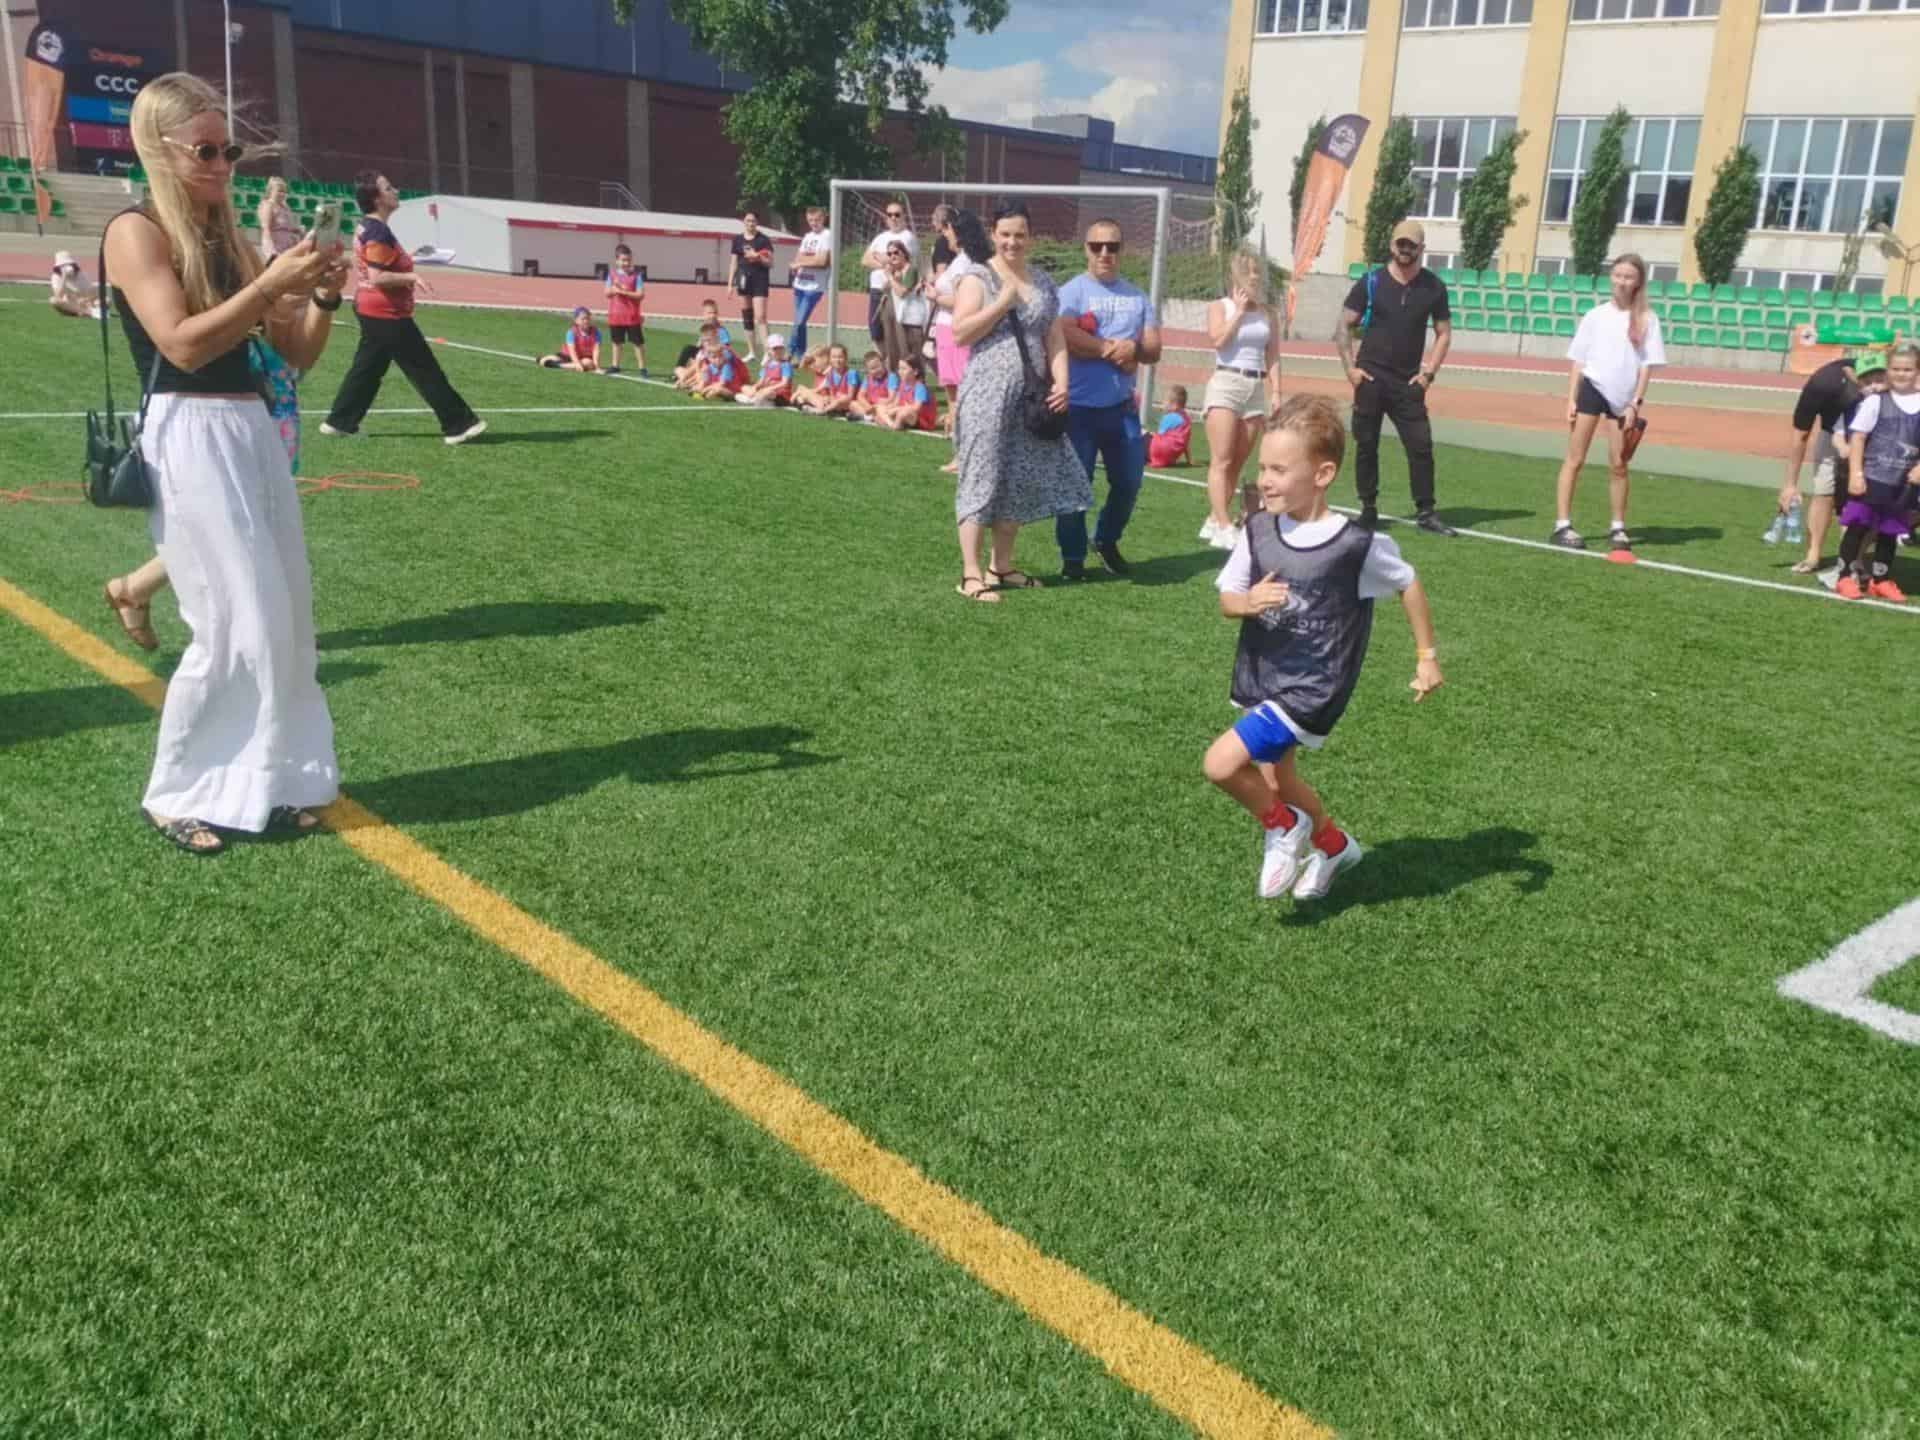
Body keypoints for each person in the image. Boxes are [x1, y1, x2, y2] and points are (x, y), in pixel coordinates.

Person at [103, 72, 348, 855]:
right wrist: (268, 284)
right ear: (160, 148)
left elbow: (294, 355)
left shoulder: (228, 237)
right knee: (229, 621)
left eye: (228, 151)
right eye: (204, 150)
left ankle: (274, 783)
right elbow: (181, 343)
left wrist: (321, 296)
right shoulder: (135, 231)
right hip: (189, 429)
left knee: (285, 620)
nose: (221, 165)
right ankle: (178, 791)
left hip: (249, 427)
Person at [1202, 395, 1443, 902]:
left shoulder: (1353, 545)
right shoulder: (1259, 529)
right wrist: (1247, 602)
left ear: (1322, 474)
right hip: (1263, 674)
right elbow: (1228, 598)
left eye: (1279, 470)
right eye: (1262, 467)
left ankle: (1284, 826)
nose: (1265, 480)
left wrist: (1426, 657)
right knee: (1277, 780)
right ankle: (1334, 847)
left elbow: (1408, 581)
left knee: (1220, 764)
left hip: (1312, 685)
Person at [947, 202, 1091, 603]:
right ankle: (970, 572)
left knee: (1019, 476)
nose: (1012, 242)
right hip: (987, 395)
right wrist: (1001, 303)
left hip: (1031, 396)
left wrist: (1062, 381)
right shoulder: (979, 277)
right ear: (994, 233)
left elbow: (1054, 336)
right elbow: (960, 333)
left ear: (1030, 237)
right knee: (981, 475)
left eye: (1020, 235)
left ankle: (1002, 565)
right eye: (1005, 234)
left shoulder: (1042, 281)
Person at [321, 170, 485, 445]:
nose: (395, 191)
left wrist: (408, 260)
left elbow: (370, 263)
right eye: (388, 188)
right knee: (424, 369)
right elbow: (378, 277)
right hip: (386, 312)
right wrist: (411, 276)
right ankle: (458, 424)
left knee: (367, 369)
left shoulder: (369, 227)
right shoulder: (378, 231)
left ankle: (340, 422)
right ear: (376, 198)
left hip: (372, 309)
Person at [1056, 217, 1163, 580]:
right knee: (1075, 487)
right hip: (1078, 410)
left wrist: (1135, 348)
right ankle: (1072, 558)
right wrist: (1108, 349)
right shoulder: (1072, 292)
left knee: (1130, 482)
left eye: (1112, 246)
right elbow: (1065, 334)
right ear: (1086, 249)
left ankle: (1105, 540)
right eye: (1097, 246)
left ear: (1121, 250)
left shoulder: (1137, 297)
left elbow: (1153, 348)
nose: (1105, 253)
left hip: (1121, 409)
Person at [1336, 219, 1455, 536]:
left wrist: (1428, 374)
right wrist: (1350, 369)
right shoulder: (1371, 282)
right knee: (1366, 446)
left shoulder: (1433, 287)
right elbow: (1344, 324)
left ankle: (1426, 512)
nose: (1405, 249)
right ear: (1392, 245)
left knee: (1421, 446)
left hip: (1408, 384)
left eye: (1411, 245)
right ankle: (1368, 510)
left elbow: (1444, 333)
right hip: (1370, 379)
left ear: (1421, 249)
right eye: (1400, 243)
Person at [1549, 253, 1665, 556]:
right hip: (1592, 388)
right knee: (1575, 458)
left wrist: (1635, 403)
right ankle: (1562, 524)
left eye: (1628, 277)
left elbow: (1647, 365)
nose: (1622, 281)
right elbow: (1578, 361)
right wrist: (1571, 399)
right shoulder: (1595, 315)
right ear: (1611, 277)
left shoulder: (1648, 319)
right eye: (1618, 275)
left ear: (1638, 282)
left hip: (1623, 399)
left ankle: (1618, 526)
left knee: (1619, 465)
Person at [1200, 248, 1283, 548]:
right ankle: (1224, 525)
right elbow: (1218, 340)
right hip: (1226, 383)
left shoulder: (1268, 313)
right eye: (1248, 271)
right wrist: (1237, 311)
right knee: (1221, 459)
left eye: (1257, 271)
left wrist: (1276, 391)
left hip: (1254, 386)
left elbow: (1273, 355)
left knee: (1238, 460)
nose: (1254, 276)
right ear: (1235, 275)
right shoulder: (1219, 306)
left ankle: (1214, 518)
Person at [1777, 353, 1884, 575]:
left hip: (1878, 445)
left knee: (1867, 502)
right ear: (1854, 377)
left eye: (1880, 378)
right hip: (1836, 435)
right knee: (1823, 491)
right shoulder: (1824, 384)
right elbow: (1802, 434)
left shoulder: (1896, 392)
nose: (1874, 385)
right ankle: (1813, 555)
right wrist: (1790, 485)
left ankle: (1854, 558)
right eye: (1867, 380)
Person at [1837, 340, 1920, 602]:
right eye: (1896, 369)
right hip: (1873, 477)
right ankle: (1844, 576)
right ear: (1888, 371)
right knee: (1859, 526)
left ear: (1917, 371)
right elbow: (1858, 437)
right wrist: (1856, 474)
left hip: (1903, 482)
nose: (1901, 374)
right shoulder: (1876, 401)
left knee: (1890, 530)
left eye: (1907, 369)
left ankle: (1880, 580)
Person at [930, 206, 976, 474]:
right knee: (953, 396)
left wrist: (934, 296)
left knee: (958, 398)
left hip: (955, 331)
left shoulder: (964, 262)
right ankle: (960, 454)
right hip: (947, 330)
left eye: (948, 230)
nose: (945, 235)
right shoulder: (960, 260)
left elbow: (961, 301)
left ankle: (962, 456)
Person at [861, 198, 917, 346]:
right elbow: (865, 260)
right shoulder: (880, 237)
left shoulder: (907, 237)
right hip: (876, 288)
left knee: (895, 331)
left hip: (895, 289)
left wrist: (880, 257)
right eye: (890, 214)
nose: (893, 218)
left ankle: (896, 359)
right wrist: (884, 263)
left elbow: (901, 263)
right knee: (875, 331)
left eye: (897, 214)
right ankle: (884, 359)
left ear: (904, 216)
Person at [727, 210, 774, 363]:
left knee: (760, 316)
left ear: (757, 223)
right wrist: (730, 284)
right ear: (744, 222)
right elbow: (733, 263)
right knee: (747, 316)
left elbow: (770, 263)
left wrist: (757, 256)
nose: (750, 223)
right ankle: (752, 352)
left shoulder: (764, 240)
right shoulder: (737, 240)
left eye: (753, 221)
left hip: (759, 280)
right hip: (743, 280)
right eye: (748, 220)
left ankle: (767, 352)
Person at [879, 240, 929, 371]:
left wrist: (890, 277)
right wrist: (892, 276)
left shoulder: (911, 270)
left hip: (909, 321)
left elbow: (902, 293)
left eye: (896, 252)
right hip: (896, 318)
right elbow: (884, 288)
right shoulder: (896, 272)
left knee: (909, 354)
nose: (892, 256)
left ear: (904, 253)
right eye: (889, 254)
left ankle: (916, 379)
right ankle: (897, 377)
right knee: (893, 350)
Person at [788, 205, 831, 358]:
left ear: (823, 218)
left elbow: (822, 261)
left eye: (817, 220)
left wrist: (801, 262)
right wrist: (799, 263)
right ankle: (801, 356)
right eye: (811, 220)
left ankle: (788, 351)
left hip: (814, 286)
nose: (814, 223)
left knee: (799, 321)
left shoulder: (827, 235)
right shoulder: (807, 236)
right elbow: (798, 257)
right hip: (799, 284)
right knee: (800, 322)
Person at [604, 243, 646, 376]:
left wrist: (624, 292)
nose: (625, 263)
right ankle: (615, 365)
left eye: (628, 260)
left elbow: (640, 295)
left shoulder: (636, 276)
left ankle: (642, 368)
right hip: (616, 315)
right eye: (623, 260)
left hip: (632, 316)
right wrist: (614, 290)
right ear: (617, 260)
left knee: (637, 343)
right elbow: (607, 293)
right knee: (616, 342)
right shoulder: (611, 275)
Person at [873, 354, 938, 432]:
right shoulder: (902, 385)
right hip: (903, 414)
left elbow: (916, 408)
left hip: (921, 420)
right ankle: (891, 424)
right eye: (899, 368)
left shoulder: (920, 387)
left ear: (915, 372)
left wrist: (896, 410)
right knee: (880, 407)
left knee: (904, 412)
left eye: (904, 369)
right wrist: (887, 409)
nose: (900, 372)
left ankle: (894, 424)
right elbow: (895, 403)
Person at [793, 342, 856, 416]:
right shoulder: (830, 374)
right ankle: (805, 406)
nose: (837, 360)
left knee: (804, 392)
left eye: (840, 357)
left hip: (843, 404)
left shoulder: (850, 373)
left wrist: (833, 399)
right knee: (802, 392)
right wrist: (829, 398)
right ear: (830, 359)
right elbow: (802, 368)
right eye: (834, 357)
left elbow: (850, 396)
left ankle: (819, 410)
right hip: (831, 401)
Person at [735, 333, 794, 407]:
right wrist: (754, 388)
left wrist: (769, 388)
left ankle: (755, 399)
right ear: (768, 350)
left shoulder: (785, 365)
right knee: (744, 387)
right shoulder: (767, 365)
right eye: (775, 349)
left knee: (767, 392)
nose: (778, 351)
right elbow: (761, 382)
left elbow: (784, 383)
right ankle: (757, 399)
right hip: (766, 391)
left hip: (780, 394)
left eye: (780, 348)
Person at [674, 299, 729, 376]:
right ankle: (679, 371)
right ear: (704, 315)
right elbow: (700, 345)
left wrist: (708, 354)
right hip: (703, 354)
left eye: (715, 313)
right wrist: (695, 358)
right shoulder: (705, 328)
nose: (713, 316)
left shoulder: (721, 330)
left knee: (698, 362)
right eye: (709, 313)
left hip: (714, 356)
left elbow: (725, 349)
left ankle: (684, 374)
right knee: (688, 349)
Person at [538, 306, 601, 371]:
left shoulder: (596, 332)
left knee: (588, 363)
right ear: (576, 321)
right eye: (583, 319)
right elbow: (572, 351)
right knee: (543, 360)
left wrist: (596, 366)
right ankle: (567, 365)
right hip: (567, 356)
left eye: (588, 318)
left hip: (584, 358)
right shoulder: (571, 332)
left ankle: (558, 365)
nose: (586, 321)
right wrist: (577, 363)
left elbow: (596, 350)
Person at [690, 329, 746, 400]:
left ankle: (704, 396)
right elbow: (704, 381)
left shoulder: (726, 367)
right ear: (709, 358)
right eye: (714, 357)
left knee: (718, 390)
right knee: (697, 387)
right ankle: (703, 395)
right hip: (714, 387)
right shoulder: (709, 367)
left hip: (731, 390)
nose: (718, 359)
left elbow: (722, 384)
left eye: (720, 356)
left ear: (723, 356)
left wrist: (707, 388)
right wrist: (700, 386)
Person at [1148, 385, 1193, 469]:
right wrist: (1189, 460)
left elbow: (1159, 436)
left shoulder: (1168, 417)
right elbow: (1185, 443)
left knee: (1144, 437)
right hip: (1172, 457)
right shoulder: (1186, 419)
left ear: (1174, 405)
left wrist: (1151, 434)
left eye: (1165, 402)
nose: (1163, 404)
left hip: (1160, 451)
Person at [48, 249, 102, 317]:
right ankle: (89, 313)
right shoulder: (56, 277)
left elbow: (94, 293)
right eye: (63, 265)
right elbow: (58, 296)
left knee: (106, 301)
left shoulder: (81, 275)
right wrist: (64, 277)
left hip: (84, 303)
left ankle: (84, 312)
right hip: (69, 304)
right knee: (54, 300)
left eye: (68, 264)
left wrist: (85, 300)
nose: (66, 267)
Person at [256, 176, 299, 259]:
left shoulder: (285, 207)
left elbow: (288, 226)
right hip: (275, 246)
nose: (282, 194)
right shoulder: (268, 205)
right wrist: (272, 251)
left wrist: (297, 230)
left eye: (284, 192)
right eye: (279, 191)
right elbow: (266, 229)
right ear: (271, 191)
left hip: (288, 245)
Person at [848, 350, 894, 422]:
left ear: (883, 363)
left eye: (878, 366)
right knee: (853, 404)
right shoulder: (868, 378)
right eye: (872, 369)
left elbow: (892, 398)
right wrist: (867, 406)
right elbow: (860, 395)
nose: (877, 370)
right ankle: (870, 417)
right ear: (868, 370)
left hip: (883, 406)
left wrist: (879, 405)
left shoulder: (891, 377)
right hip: (871, 406)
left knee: (882, 409)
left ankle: (868, 417)